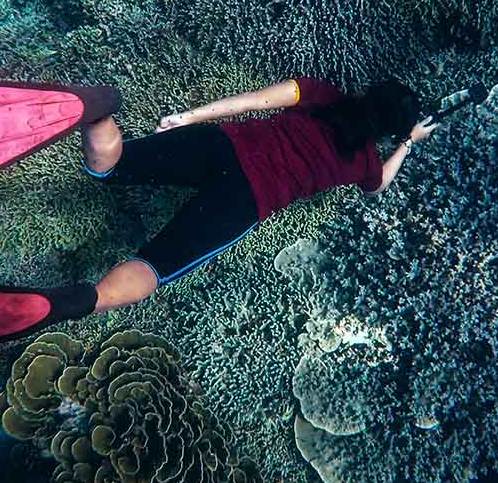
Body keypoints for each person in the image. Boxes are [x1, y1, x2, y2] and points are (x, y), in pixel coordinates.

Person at [76, 76, 438, 316]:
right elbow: (379, 186)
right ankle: (85, 301)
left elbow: (255, 101)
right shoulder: (365, 163)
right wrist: (408, 142)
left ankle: (96, 112)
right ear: (387, 132)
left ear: (369, 92)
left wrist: (188, 117)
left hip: (221, 145)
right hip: (246, 199)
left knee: (113, 165)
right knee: (156, 266)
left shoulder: (322, 93)